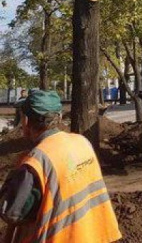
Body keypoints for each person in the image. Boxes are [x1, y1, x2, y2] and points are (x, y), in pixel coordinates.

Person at [0, 90, 121, 242]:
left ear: (25, 121)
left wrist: (13, 179)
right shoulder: (81, 142)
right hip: (92, 235)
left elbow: (11, 212)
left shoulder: (36, 161)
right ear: (59, 117)